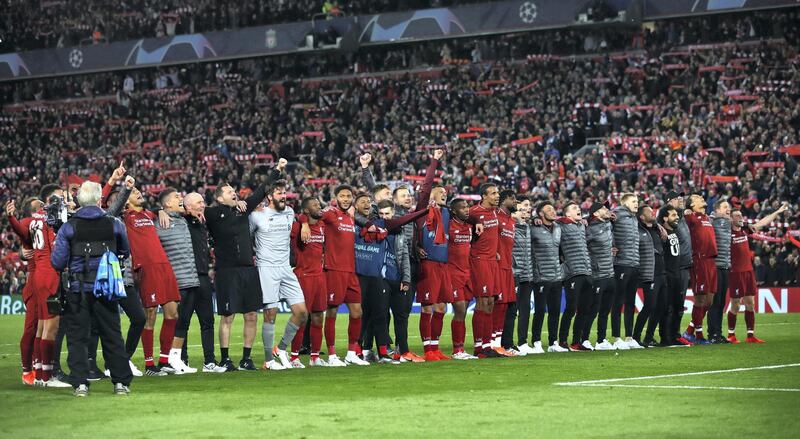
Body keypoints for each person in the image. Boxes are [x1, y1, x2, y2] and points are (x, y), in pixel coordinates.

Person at [50, 181, 132, 397]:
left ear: (78, 200)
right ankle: (121, 383)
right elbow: (125, 250)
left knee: (77, 337)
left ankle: (80, 384)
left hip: (78, 289)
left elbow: (57, 262)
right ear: (98, 200)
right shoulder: (114, 223)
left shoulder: (69, 226)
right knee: (112, 335)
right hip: (106, 287)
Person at [6, 189, 70, 387]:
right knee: (38, 327)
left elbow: (21, 232)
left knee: (41, 326)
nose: (44, 205)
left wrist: (11, 218)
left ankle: (39, 370)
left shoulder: (31, 223)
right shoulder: (42, 221)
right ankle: (35, 372)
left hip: (39, 277)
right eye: (41, 204)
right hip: (43, 277)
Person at [205, 180, 267, 371]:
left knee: (251, 315)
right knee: (228, 315)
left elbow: (261, 190)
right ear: (219, 197)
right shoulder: (212, 213)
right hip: (227, 270)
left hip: (248, 269)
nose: (234, 193)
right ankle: (225, 359)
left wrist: (277, 169)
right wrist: (161, 210)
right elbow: (189, 207)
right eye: (229, 191)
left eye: (234, 191)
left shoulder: (243, 210)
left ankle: (246, 359)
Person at [123, 178, 182, 375]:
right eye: (133, 192)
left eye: (139, 190)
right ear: (126, 200)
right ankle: (149, 364)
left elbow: (171, 209)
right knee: (149, 315)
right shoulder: (125, 216)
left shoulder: (149, 214)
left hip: (164, 265)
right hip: (146, 268)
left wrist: (161, 210)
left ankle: (164, 360)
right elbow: (109, 205)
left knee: (172, 313)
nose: (138, 192)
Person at [250, 178, 310, 370]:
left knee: (302, 313)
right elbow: (244, 235)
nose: (283, 196)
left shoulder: (290, 212)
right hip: (266, 269)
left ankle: (281, 348)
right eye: (279, 193)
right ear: (269, 197)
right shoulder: (257, 215)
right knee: (271, 314)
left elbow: (302, 217)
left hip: (286, 268)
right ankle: (268, 361)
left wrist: (306, 223)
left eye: (284, 193)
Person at [727, 203, 789, 343]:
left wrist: (777, 211)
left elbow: (762, 222)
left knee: (750, 302)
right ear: (730, 219)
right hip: (735, 272)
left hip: (748, 271)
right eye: (737, 216)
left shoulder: (745, 230)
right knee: (735, 304)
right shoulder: (727, 233)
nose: (740, 218)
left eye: (741, 215)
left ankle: (750, 336)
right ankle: (731, 335)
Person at [155, 188, 201, 374]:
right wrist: (158, 210)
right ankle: (165, 359)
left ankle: (176, 359)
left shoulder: (184, 220)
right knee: (173, 320)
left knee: (184, 322)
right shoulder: (158, 222)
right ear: (166, 204)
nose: (181, 198)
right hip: (174, 279)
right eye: (176, 197)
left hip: (191, 278)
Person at [182, 192, 227, 372]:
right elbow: (158, 210)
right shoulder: (180, 222)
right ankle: (182, 361)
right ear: (188, 206)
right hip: (186, 277)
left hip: (203, 277)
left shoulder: (203, 223)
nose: (203, 205)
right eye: (199, 202)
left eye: (203, 201)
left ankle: (210, 361)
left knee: (207, 321)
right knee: (182, 322)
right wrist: (162, 211)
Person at [290, 197, 329, 366]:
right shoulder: (298, 226)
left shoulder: (322, 226)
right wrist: (303, 221)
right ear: (306, 211)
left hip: (319, 276)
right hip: (303, 276)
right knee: (302, 317)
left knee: (318, 316)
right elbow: (296, 216)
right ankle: (294, 357)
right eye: (315, 205)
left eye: (319, 204)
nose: (319, 207)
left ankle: (314, 357)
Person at [5, 198, 39, 386]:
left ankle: (43, 366)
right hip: (35, 282)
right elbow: (22, 231)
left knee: (48, 329)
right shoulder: (29, 222)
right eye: (41, 204)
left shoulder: (52, 222)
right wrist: (11, 217)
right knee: (32, 328)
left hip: (52, 280)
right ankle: (28, 370)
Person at [468, 183, 502, 358]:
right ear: (483, 196)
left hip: (492, 261)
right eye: (493, 193)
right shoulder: (473, 212)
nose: (497, 195)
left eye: (497, 193)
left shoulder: (495, 212)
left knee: (491, 302)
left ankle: (487, 345)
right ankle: (478, 346)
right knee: (482, 302)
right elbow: (458, 218)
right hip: (479, 261)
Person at [556, 203, 593, 352]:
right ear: (567, 214)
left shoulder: (581, 225)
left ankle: (576, 341)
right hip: (572, 273)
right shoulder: (561, 225)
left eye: (578, 207)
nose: (578, 209)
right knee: (571, 308)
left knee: (584, 309)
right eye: (574, 208)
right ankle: (562, 341)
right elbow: (551, 221)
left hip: (587, 272)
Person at [681, 194, 718, 345]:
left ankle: (689, 332)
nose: (702, 197)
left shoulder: (707, 218)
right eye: (697, 197)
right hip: (700, 260)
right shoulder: (690, 217)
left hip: (711, 261)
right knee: (700, 299)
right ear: (691, 205)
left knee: (709, 301)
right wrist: (684, 212)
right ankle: (699, 335)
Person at [530, 200, 564, 354]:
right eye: (549, 210)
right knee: (540, 310)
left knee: (555, 311)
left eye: (553, 208)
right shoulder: (534, 228)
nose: (553, 211)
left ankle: (553, 342)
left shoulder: (558, 228)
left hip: (557, 276)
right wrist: (532, 219)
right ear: (541, 214)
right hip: (541, 277)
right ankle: (536, 342)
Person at [446, 198, 477, 360]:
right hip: (453, 274)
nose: (467, 210)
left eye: (467, 207)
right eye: (463, 208)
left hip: (467, 274)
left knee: (463, 312)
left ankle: (461, 349)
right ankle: (457, 349)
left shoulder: (470, 227)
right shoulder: (449, 227)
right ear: (454, 211)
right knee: (459, 310)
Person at [632, 205, 665, 348]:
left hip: (662, 272)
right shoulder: (638, 231)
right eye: (649, 212)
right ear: (642, 217)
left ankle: (649, 337)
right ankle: (636, 337)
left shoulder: (657, 228)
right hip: (649, 273)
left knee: (661, 306)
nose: (653, 213)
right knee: (649, 306)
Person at [664, 192, 693, 346]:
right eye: (676, 198)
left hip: (685, 265)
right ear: (669, 202)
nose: (680, 200)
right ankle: (668, 336)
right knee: (672, 304)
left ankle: (674, 335)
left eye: (681, 197)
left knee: (679, 305)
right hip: (675, 267)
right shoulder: (667, 219)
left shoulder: (681, 217)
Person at [585, 201, 616, 350]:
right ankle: (584, 339)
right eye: (603, 208)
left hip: (610, 273)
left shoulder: (608, 224)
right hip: (597, 275)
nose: (607, 209)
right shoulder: (589, 229)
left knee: (605, 310)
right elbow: (583, 246)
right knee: (593, 310)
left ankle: (601, 340)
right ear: (595, 213)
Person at [611, 193, 640, 350]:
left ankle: (629, 337)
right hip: (621, 263)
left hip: (634, 263)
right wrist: (612, 245)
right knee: (618, 301)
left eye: (637, 201)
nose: (637, 203)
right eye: (633, 201)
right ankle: (616, 337)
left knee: (630, 302)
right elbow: (605, 225)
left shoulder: (634, 217)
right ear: (624, 203)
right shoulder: (617, 213)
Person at [493, 190, 517, 356]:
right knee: (498, 306)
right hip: (497, 267)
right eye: (512, 198)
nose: (515, 201)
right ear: (502, 201)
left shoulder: (511, 221)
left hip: (508, 268)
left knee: (505, 307)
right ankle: (491, 344)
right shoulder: (495, 217)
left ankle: (498, 344)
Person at [510, 197, 534, 355]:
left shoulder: (529, 227)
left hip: (528, 274)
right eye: (521, 210)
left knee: (525, 309)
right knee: (511, 310)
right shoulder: (510, 227)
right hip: (513, 274)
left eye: (526, 210)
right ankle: (505, 341)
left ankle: (523, 342)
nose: (525, 212)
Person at [708, 199, 732, 344]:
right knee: (715, 302)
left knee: (722, 302)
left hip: (725, 267)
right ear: (716, 210)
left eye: (728, 207)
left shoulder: (729, 222)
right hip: (715, 266)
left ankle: (718, 333)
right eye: (724, 207)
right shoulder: (711, 220)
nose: (727, 209)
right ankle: (712, 334)